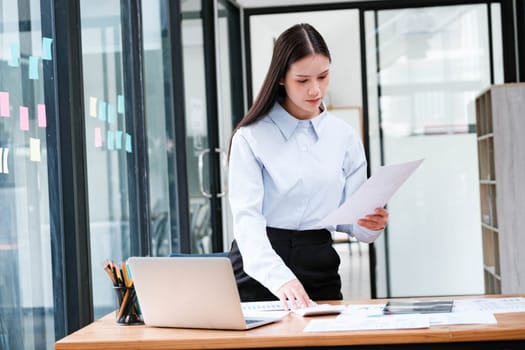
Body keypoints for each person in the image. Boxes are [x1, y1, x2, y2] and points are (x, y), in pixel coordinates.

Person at [227, 23, 388, 310]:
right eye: (302, 80)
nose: (316, 89)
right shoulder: (250, 137)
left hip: (319, 264)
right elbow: (247, 222)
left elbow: (350, 220)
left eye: (323, 77)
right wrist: (280, 279)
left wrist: (370, 225)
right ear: (281, 79)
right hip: (259, 271)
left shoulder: (344, 136)